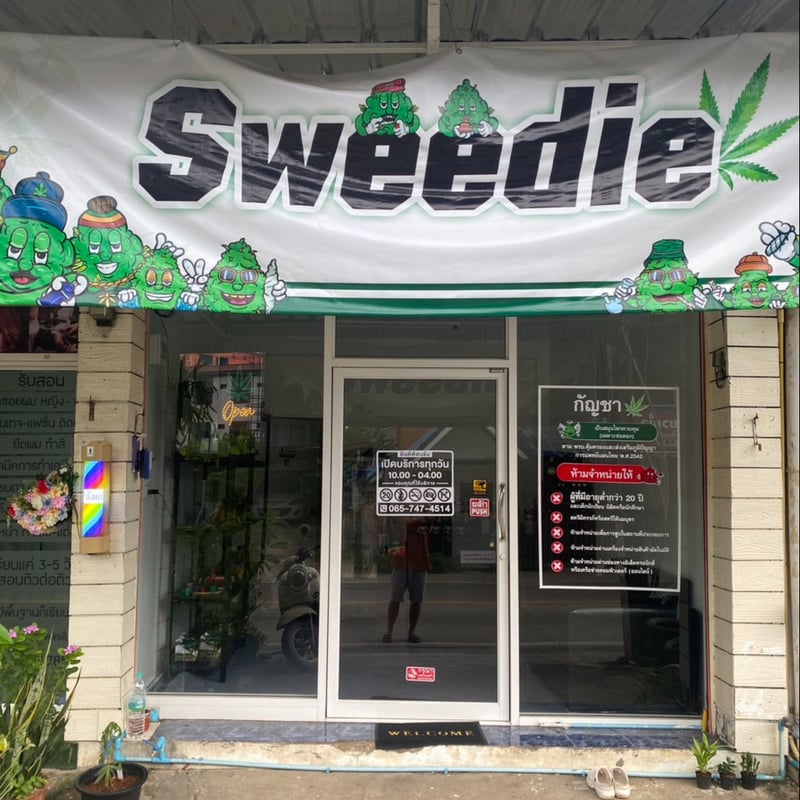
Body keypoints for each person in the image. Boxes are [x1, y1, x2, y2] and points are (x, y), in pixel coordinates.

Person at [382, 519, 432, 644]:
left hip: (419, 560)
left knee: (416, 600)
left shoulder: (425, 515)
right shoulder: (401, 515)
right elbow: (394, 522)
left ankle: (411, 632)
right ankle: (389, 631)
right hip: (401, 560)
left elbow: (429, 522)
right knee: (395, 598)